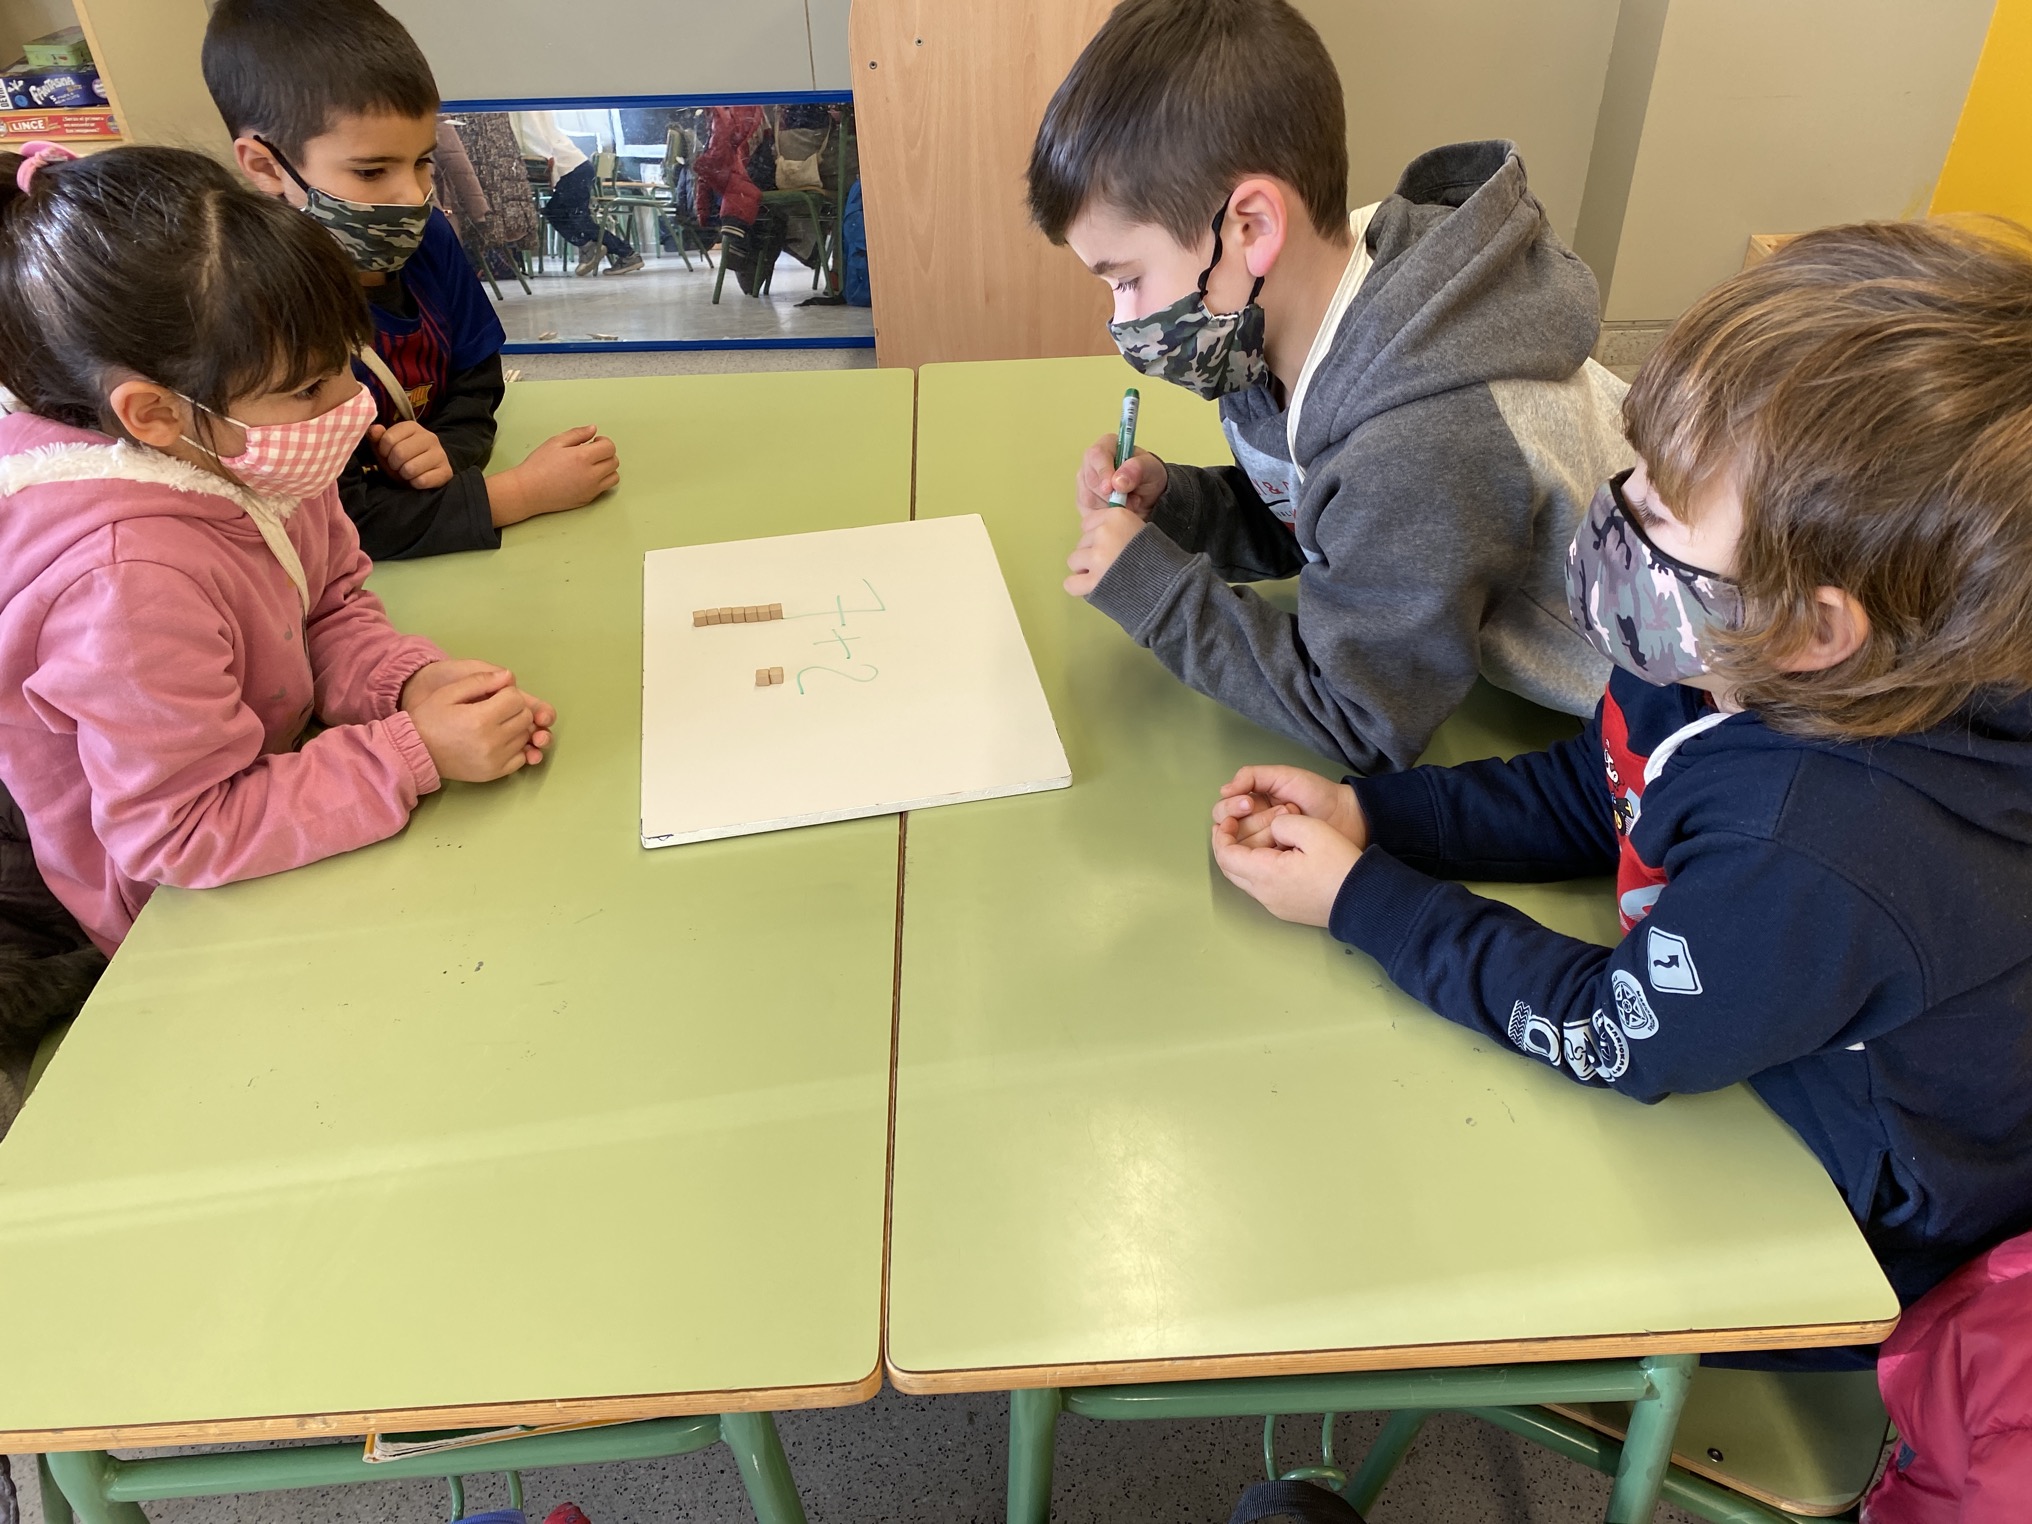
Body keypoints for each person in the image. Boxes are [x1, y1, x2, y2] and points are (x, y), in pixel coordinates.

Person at [1209, 220, 2032, 1321]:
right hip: (1746, 1010)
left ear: (1815, 629)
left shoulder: (1820, 855)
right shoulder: (1722, 646)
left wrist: (1362, 901)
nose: (1615, 504)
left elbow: (1615, 1034)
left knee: (1422, 1237)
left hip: (1851, 1217)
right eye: (1641, 466)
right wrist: (1377, 815)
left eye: (1661, 506)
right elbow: (1606, 786)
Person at [1029, 0, 1626, 775]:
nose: (1122, 319)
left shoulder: (1419, 445)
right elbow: (1327, 516)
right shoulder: (1290, 311)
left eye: (1128, 279)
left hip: (1689, 706)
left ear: (1250, 227)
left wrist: (1156, 592)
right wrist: (1177, 507)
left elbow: (1363, 718)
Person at [0, 144, 555, 955]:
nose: (354, 404)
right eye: (307, 388)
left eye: (345, 366)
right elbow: (182, 834)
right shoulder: (123, 584)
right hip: (174, 918)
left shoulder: (243, 449)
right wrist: (411, 752)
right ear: (154, 414)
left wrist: (402, 681)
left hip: (274, 776)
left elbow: (328, 605)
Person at [203, 0, 621, 561]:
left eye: (423, 161)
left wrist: (447, 449)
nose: (413, 194)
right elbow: (333, 520)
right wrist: (520, 493)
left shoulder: (430, 238)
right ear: (266, 166)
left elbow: (476, 380)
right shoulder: (252, 305)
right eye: (371, 170)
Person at [513, 110, 644, 279]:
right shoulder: (545, 127)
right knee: (555, 212)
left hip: (575, 171)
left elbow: (532, 138)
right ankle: (589, 247)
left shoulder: (534, 127)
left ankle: (627, 254)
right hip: (577, 169)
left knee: (579, 219)